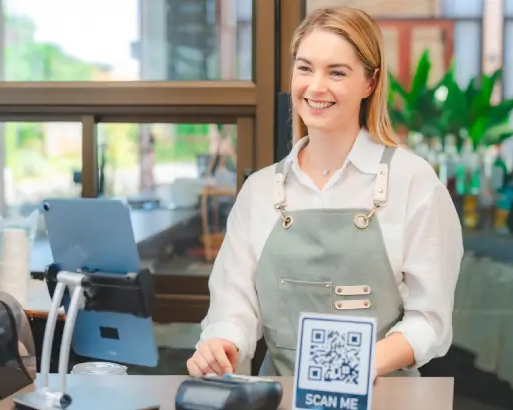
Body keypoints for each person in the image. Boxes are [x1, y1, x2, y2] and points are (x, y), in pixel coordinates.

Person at [187, 6, 463, 378]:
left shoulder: (414, 183)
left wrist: (354, 367)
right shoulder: (260, 191)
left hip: (381, 397)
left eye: (337, 72)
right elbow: (234, 305)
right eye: (305, 68)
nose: (316, 86)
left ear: (370, 83)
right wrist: (222, 344)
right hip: (280, 398)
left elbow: (430, 320)